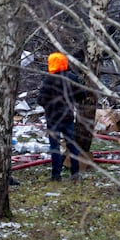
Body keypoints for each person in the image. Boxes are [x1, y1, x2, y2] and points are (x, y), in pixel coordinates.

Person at [37, 51, 85, 181]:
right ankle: (75, 174)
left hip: (52, 118)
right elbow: (82, 95)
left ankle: (56, 175)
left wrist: (48, 106)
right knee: (72, 146)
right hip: (68, 117)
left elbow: (40, 100)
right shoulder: (72, 78)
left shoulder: (48, 80)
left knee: (55, 148)